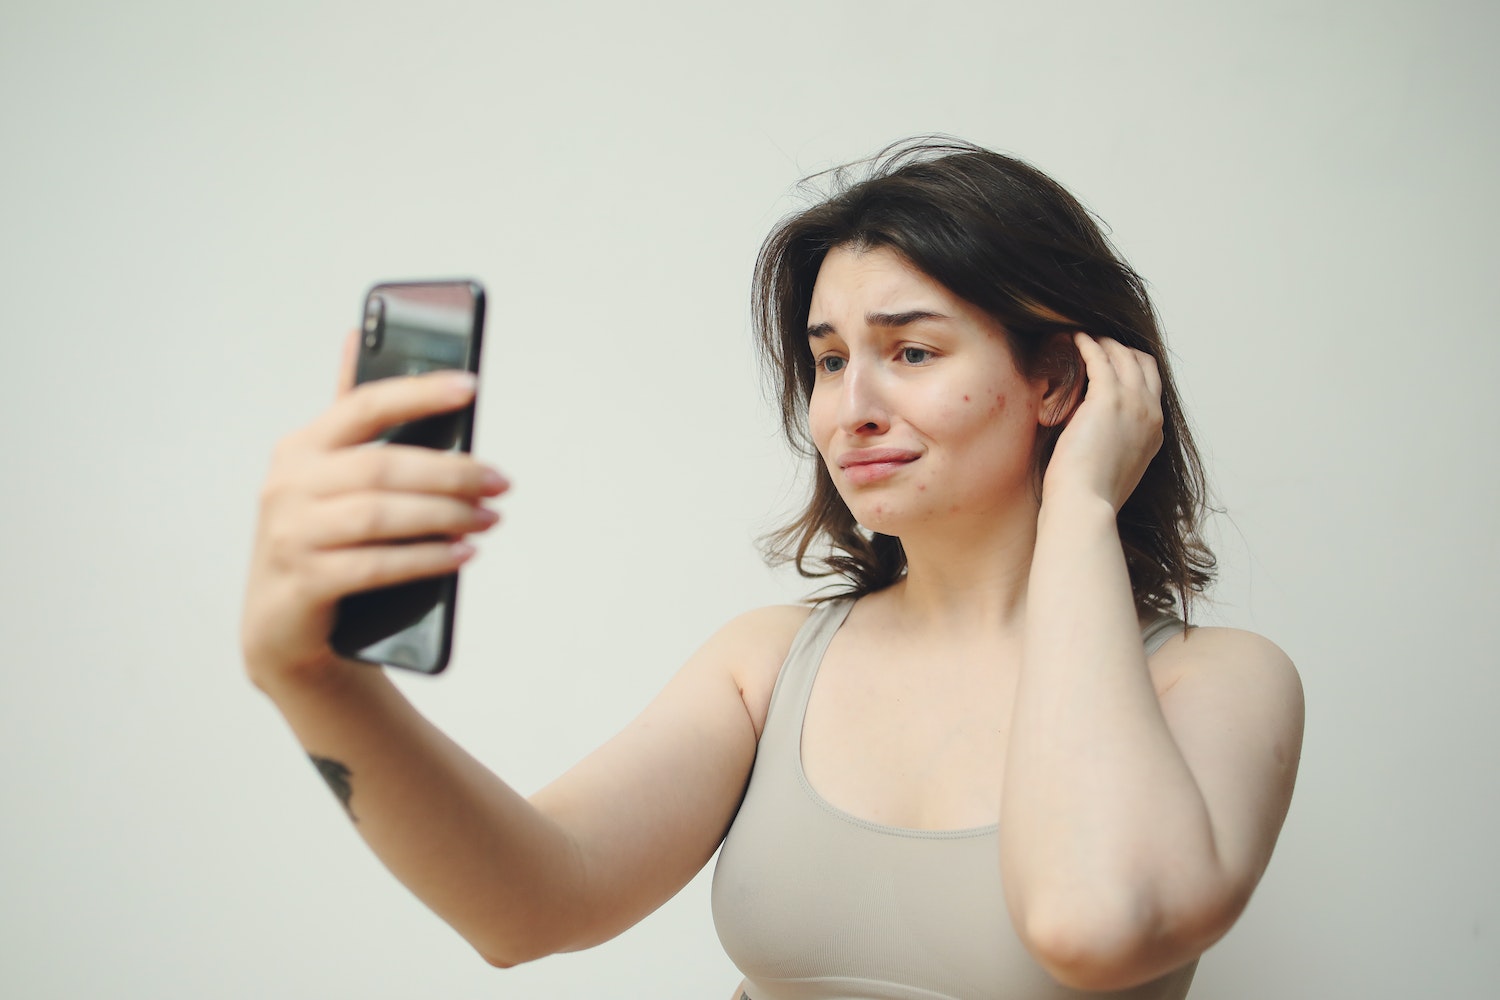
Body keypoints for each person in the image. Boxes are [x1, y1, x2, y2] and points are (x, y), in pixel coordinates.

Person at [241, 139, 1304, 1000]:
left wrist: (1081, 505)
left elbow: (1094, 923)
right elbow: (527, 906)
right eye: (829, 358)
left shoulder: (1216, 684)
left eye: (914, 351)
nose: (850, 407)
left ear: (1063, 382)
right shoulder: (768, 662)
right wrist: (316, 680)